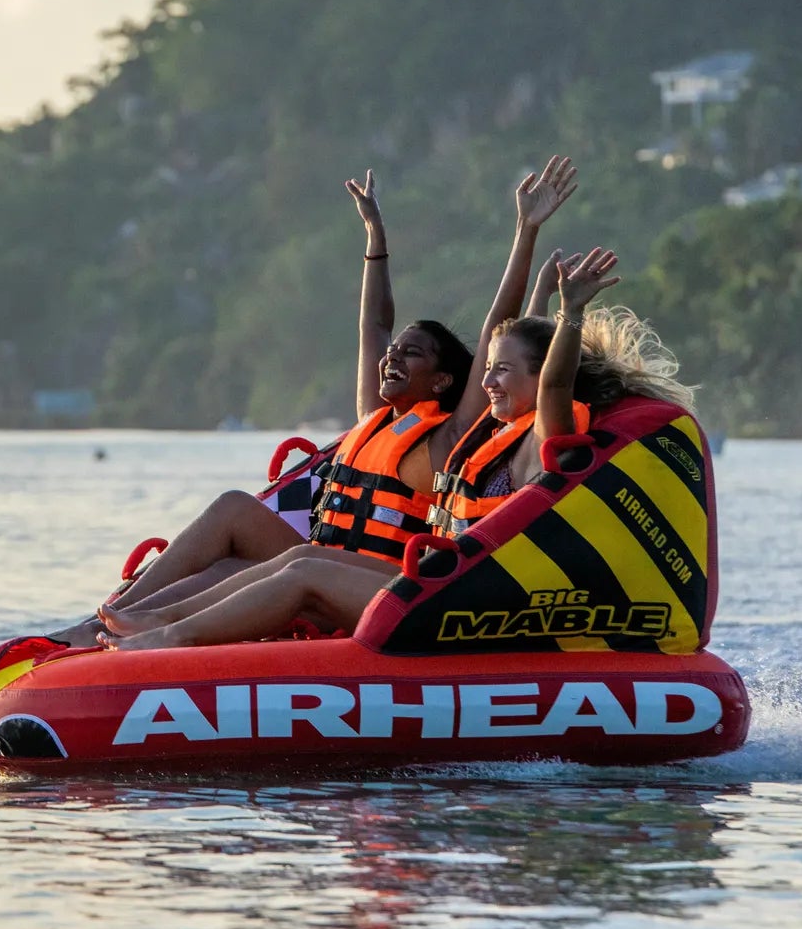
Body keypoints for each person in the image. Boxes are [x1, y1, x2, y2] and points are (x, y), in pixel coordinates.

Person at [49, 156, 577, 646]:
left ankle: (155, 636)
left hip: (368, 585)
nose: (391, 358)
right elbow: (374, 325)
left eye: (411, 354)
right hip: (321, 561)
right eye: (393, 353)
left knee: (290, 563)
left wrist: (524, 234)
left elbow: (495, 330)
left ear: (442, 382)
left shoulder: (447, 433)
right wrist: (375, 239)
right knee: (231, 538)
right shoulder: (377, 419)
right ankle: (107, 622)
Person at [96, 248, 692, 651]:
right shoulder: (489, 432)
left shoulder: (549, 436)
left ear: (540, 381)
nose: (487, 381)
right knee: (296, 561)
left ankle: (166, 640)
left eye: (503, 373)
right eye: (487, 372)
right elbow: (503, 334)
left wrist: (570, 313)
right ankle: (156, 621)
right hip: (442, 579)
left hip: (469, 598)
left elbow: (550, 372)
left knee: (304, 570)